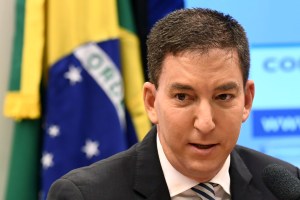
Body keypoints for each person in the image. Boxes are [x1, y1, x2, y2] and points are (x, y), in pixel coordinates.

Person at [47, 8, 300, 200]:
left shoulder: (287, 188)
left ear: (246, 100)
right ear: (151, 101)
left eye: (223, 97)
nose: (205, 123)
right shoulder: (86, 195)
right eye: (183, 97)